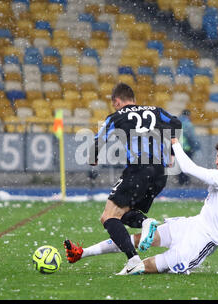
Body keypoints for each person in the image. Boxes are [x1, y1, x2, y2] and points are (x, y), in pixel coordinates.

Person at [64, 139, 218, 275]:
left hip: (201, 242)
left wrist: (174, 140)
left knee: (147, 267)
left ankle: (122, 271)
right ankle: (81, 253)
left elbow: (188, 167)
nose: (216, 162)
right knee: (138, 240)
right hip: (191, 226)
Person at [66, 83, 182, 275]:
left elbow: (98, 139)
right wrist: (170, 152)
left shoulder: (116, 116)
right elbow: (177, 123)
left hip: (138, 170)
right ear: (134, 100)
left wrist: (93, 157)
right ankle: (145, 224)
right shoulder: (156, 111)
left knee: (108, 217)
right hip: (160, 174)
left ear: (117, 101)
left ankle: (134, 258)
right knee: (124, 214)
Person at [177, 110, 200, 185]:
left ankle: (181, 181)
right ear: (188, 115)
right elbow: (191, 137)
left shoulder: (176, 122)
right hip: (186, 148)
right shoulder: (187, 124)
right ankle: (185, 182)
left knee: (180, 166)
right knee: (186, 166)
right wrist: (196, 146)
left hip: (177, 147)